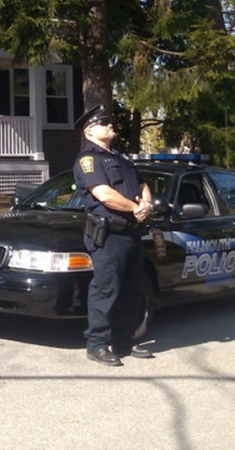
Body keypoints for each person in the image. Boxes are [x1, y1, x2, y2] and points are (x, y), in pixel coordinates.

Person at [73, 105, 154, 366]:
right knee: (106, 289)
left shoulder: (122, 158)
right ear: (90, 131)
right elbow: (104, 194)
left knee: (132, 289)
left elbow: (142, 185)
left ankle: (124, 340)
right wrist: (135, 207)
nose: (110, 125)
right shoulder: (88, 160)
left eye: (109, 122)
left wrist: (147, 205)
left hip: (131, 232)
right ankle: (96, 343)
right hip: (109, 235)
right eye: (103, 122)